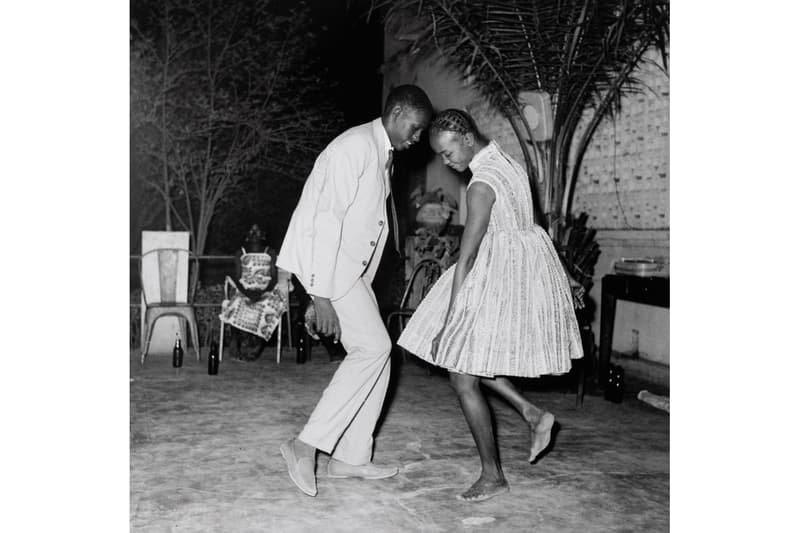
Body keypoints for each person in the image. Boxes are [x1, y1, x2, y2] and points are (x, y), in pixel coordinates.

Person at [397, 109, 584, 502]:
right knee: (470, 364)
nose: (447, 162)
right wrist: (563, 274)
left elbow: (465, 258)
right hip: (523, 270)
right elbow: (534, 225)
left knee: (461, 374)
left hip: (495, 277)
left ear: (466, 138)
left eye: (448, 153)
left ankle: (493, 474)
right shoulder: (509, 162)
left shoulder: (480, 184)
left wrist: (450, 322)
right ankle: (532, 414)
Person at [276, 85, 433, 497]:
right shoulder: (354, 147)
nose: (416, 139)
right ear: (397, 113)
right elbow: (323, 220)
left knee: (379, 355)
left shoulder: (379, 151)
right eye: (415, 129)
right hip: (332, 271)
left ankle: (350, 458)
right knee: (375, 350)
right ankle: (304, 445)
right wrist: (320, 295)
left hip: (351, 272)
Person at [219, 224, 285, 362]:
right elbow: (237, 276)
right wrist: (247, 293)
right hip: (245, 290)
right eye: (252, 230)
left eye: (257, 230)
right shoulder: (241, 252)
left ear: (263, 235)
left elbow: (274, 278)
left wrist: (262, 293)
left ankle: (255, 348)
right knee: (236, 304)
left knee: (268, 307)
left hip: (266, 291)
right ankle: (235, 345)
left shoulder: (269, 252)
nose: (254, 232)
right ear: (247, 235)